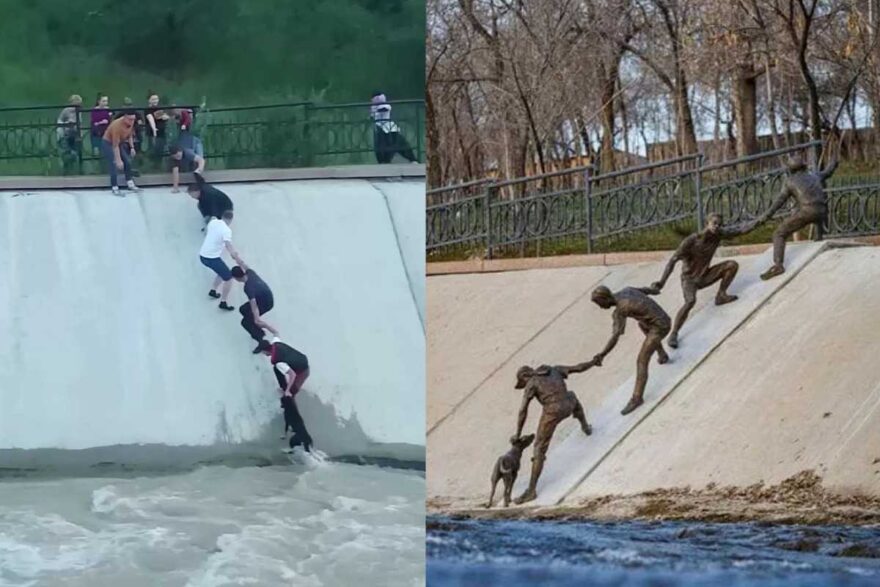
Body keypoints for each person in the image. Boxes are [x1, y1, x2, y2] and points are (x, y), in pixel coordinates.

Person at [649, 213, 755, 348]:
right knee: (690, 301)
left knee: (732, 265)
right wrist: (661, 282)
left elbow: (742, 230)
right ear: (707, 223)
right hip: (689, 280)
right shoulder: (692, 240)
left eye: (720, 224)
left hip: (705, 276)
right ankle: (674, 333)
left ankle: (721, 295)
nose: (717, 227)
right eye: (714, 223)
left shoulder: (718, 235)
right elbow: (672, 261)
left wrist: (763, 218)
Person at [511, 359, 598, 505]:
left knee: (539, 448)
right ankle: (585, 426)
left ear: (525, 377)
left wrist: (518, 433)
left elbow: (523, 410)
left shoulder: (532, 382)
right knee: (572, 395)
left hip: (552, 411)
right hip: (568, 404)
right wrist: (594, 361)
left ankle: (531, 491)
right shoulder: (554, 369)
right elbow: (578, 367)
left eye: (523, 382)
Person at [752, 156, 839, 280]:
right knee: (811, 216)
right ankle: (819, 237)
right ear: (804, 166)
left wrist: (766, 215)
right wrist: (833, 163)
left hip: (808, 212)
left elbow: (779, 201)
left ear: (790, 169)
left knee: (779, 233)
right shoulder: (814, 175)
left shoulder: (790, 181)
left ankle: (778, 265)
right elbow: (827, 172)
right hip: (822, 211)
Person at [591, 285, 672, 415]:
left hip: (660, 327)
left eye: (599, 303)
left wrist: (602, 354)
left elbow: (615, 336)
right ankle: (662, 355)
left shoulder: (621, 310)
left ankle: (637, 398)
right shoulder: (626, 290)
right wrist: (655, 289)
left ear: (605, 299)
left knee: (641, 360)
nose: (600, 307)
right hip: (663, 318)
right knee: (642, 324)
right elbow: (646, 290)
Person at [256, 337, 313, 451]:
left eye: (262, 352)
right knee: (290, 399)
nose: (263, 354)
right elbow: (276, 333)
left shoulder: (278, 362)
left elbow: (292, 374)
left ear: (265, 351)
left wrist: (287, 391)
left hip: (301, 371)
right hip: (303, 364)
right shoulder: (276, 343)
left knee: (291, 394)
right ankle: (305, 444)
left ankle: (301, 443)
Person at [198, 210, 244, 311]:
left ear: (222, 216)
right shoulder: (226, 230)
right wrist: (234, 254)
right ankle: (223, 302)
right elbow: (228, 244)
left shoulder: (213, 222)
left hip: (202, 256)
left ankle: (213, 291)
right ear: (230, 220)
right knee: (228, 278)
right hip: (211, 258)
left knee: (222, 271)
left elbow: (209, 225)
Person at [231, 264, 278, 352]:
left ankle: (261, 340)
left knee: (245, 322)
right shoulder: (250, 273)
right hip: (265, 297)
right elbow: (242, 263)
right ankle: (254, 326)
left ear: (237, 278)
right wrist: (236, 257)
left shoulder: (248, 288)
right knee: (243, 309)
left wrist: (256, 319)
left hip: (266, 304)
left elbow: (254, 305)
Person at [370, 92, 418, 164]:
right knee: (382, 147)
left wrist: (376, 109)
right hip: (380, 130)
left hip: (390, 129)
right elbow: (373, 117)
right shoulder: (373, 107)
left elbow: (384, 109)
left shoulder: (385, 105)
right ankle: (384, 161)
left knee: (400, 144)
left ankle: (413, 160)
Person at [101, 113, 139, 195]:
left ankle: (129, 182)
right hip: (108, 143)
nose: (132, 121)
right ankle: (114, 186)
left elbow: (130, 136)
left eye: (133, 119)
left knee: (127, 161)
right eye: (130, 119)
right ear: (124, 118)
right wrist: (118, 160)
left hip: (119, 143)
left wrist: (132, 147)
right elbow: (115, 146)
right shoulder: (117, 126)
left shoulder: (130, 123)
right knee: (113, 163)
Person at [56, 94, 82, 174]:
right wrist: (66, 124)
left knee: (75, 151)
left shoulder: (79, 111)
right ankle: (66, 166)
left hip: (75, 133)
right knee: (66, 150)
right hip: (66, 132)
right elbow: (59, 121)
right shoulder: (66, 110)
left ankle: (74, 166)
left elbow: (80, 122)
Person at [145, 91, 171, 162]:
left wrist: (165, 117)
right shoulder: (148, 110)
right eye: (153, 99)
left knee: (161, 151)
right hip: (153, 135)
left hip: (162, 133)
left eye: (156, 99)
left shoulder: (159, 109)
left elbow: (166, 117)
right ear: (149, 100)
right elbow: (150, 119)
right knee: (153, 150)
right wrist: (154, 130)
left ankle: (158, 165)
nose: (155, 101)